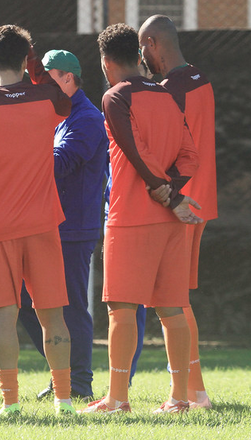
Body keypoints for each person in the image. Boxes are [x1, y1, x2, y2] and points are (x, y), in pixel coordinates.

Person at [80, 23, 201, 414]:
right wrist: (175, 195)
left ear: (105, 62)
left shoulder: (114, 96)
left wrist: (162, 191)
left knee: (121, 308)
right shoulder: (168, 96)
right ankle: (180, 399)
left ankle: (117, 399)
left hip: (131, 217)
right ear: (138, 55)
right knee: (171, 309)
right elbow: (190, 156)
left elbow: (135, 151)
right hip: (171, 222)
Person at [0, 25, 74, 416]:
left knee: (3, 315)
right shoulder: (46, 99)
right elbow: (64, 101)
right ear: (27, 60)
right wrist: (35, 67)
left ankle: (11, 403)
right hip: (43, 224)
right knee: (52, 315)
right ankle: (65, 401)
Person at [17, 49, 108, 402]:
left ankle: (80, 383)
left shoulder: (86, 117)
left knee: (70, 306)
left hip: (73, 229)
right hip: (47, 224)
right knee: (25, 301)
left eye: (46, 80)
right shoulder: (57, 114)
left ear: (67, 78)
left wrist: (17, 145)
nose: (38, 88)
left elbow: (60, 163)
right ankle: (63, 374)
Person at [138, 14, 218, 409]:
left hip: (181, 204)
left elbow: (166, 149)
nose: (142, 57)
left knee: (172, 300)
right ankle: (194, 389)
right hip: (199, 200)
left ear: (153, 43)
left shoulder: (169, 90)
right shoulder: (200, 79)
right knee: (178, 299)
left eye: (142, 48)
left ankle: (191, 393)